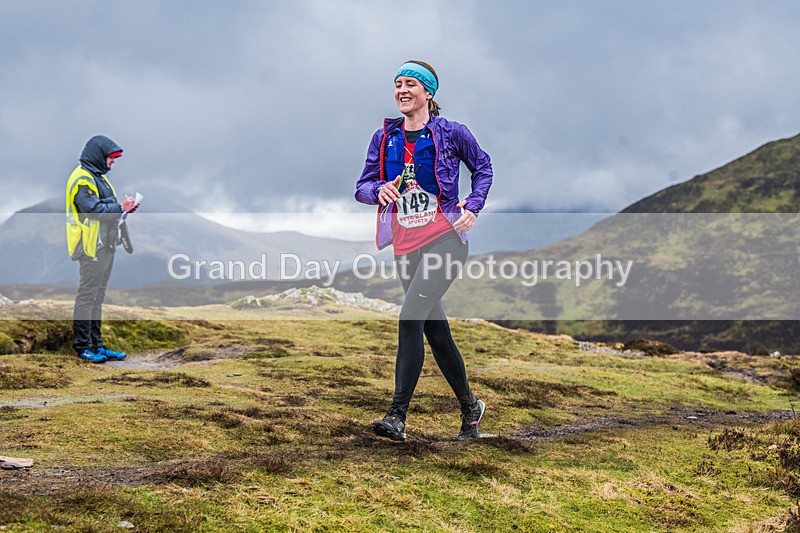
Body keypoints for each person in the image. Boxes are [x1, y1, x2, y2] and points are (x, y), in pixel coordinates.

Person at [355, 60, 493, 440]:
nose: (402, 90)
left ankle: (397, 416)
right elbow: (362, 184)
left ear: (428, 93)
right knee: (436, 332)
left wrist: (473, 205)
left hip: (445, 240)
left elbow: (483, 167)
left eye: (411, 84)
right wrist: (377, 190)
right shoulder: (384, 137)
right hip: (405, 245)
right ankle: (471, 409)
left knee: (409, 318)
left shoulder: (451, 133)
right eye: (397, 84)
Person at [65, 135, 135, 363]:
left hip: (105, 245)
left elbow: (106, 207)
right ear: (99, 156)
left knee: (97, 297)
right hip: (90, 247)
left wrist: (124, 209)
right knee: (87, 296)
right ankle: (83, 348)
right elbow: (92, 210)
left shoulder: (99, 178)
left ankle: (97, 345)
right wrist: (119, 206)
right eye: (111, 158)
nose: (113, 163)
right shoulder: (82, 179)